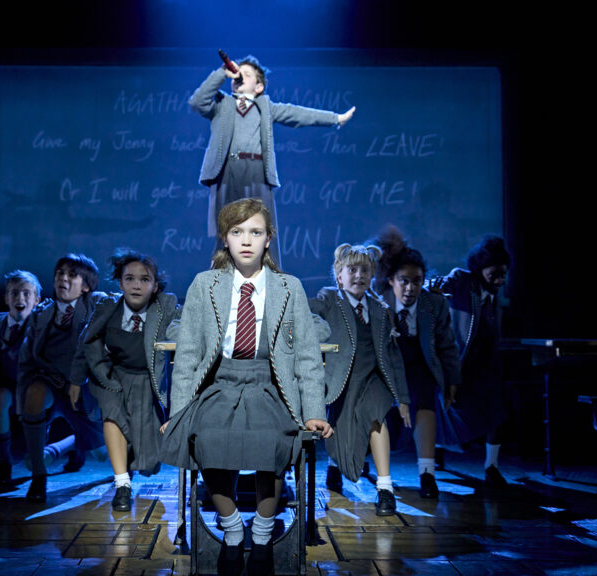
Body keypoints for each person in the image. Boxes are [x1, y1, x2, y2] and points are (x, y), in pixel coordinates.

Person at [160, 198, 332, 576]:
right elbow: (187, 356)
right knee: (208, 438)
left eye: (256, 232)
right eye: (237, 232)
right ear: (225, 239)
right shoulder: (205, 284)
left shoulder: (288, 287)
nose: (247, 240)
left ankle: (264, 534)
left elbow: (306, 356)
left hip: (269, 385)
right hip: (220, 384)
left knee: (274, 441)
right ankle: (233, 529)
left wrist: (314, 413)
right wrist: (178, 413)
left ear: (269, 238)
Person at [190, 54, 356, 266]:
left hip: (257, 171)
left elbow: (298, 114)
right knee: (228, 226)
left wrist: (335, 119)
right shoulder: (222, 104)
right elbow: (197, 101)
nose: (239, 76)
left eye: (246, 74)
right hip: (228, 170)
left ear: (259, 87)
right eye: (237, 73)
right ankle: (220, 272)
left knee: (262, 225)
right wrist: (222, 73)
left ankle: (269, 272)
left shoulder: (266, 108)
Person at [70, 249, 179, 512]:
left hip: (146, 383)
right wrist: (76, 380)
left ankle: (127, 466)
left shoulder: (164, 307)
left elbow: (179, 324)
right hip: (111, 378)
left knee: (148, 460)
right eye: (129, 279)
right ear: (120, 283)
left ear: (155, 286)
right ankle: (122, 486)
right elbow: (86, 342)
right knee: (113, 416)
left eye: (144, 279)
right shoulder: (108, 307)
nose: (136, 285)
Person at [308, 243, 410, 515]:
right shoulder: (330, 298)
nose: (358, 275)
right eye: (352, 270)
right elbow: (305, 310)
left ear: (372, 275)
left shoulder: (379, 309)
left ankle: (385, 489)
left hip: (374, 381)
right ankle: (335, 464)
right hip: (342, 383)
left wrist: (402, 398)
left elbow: (393, 356)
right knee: (342, 436)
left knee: (376, 417)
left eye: (364, 270)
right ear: (339, 276)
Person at [373, 226, 461, 498]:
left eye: (417, 281)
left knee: (425, 400)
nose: (410, 288)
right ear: (391, 280)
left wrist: (452, 381)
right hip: (387, 367)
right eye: (404, 281)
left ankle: (427, 474)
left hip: (420, 366)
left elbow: (447, 345)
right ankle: (378, 475)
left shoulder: (434, 304)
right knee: (383, 415)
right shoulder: (378, 304)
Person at [18, 254, 109, 502]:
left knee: (102, 453)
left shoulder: (96, 304)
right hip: (51, 383)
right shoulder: (41, 314)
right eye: (60, 273)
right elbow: (27, 360)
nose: (63, 278)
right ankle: (39, 476)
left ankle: (71, 448)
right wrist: (22, 399)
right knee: (35, 393)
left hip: (84, 392)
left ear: (86, 286)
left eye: (72, 275)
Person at [428, 235, 512, 487]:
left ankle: (491, 466)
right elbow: (435, 285)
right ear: (479, 270)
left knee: (499, 409)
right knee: (446, 410)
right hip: (457, 364)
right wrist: (434, 288)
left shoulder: (493, 294)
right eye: (494, 274)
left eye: (503, 274)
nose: (500, 280)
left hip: (483, 366)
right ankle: (435, 450)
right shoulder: (463, 280)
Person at [0, 270, 41, 485]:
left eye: (26, 293)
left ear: (36, 300)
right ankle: (4, 460)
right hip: (7, 380)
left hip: (34, 382)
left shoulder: (41, 323)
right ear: (6, 298)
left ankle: (68, 451)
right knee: (0, 399)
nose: (20, 298)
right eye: (14, 293)